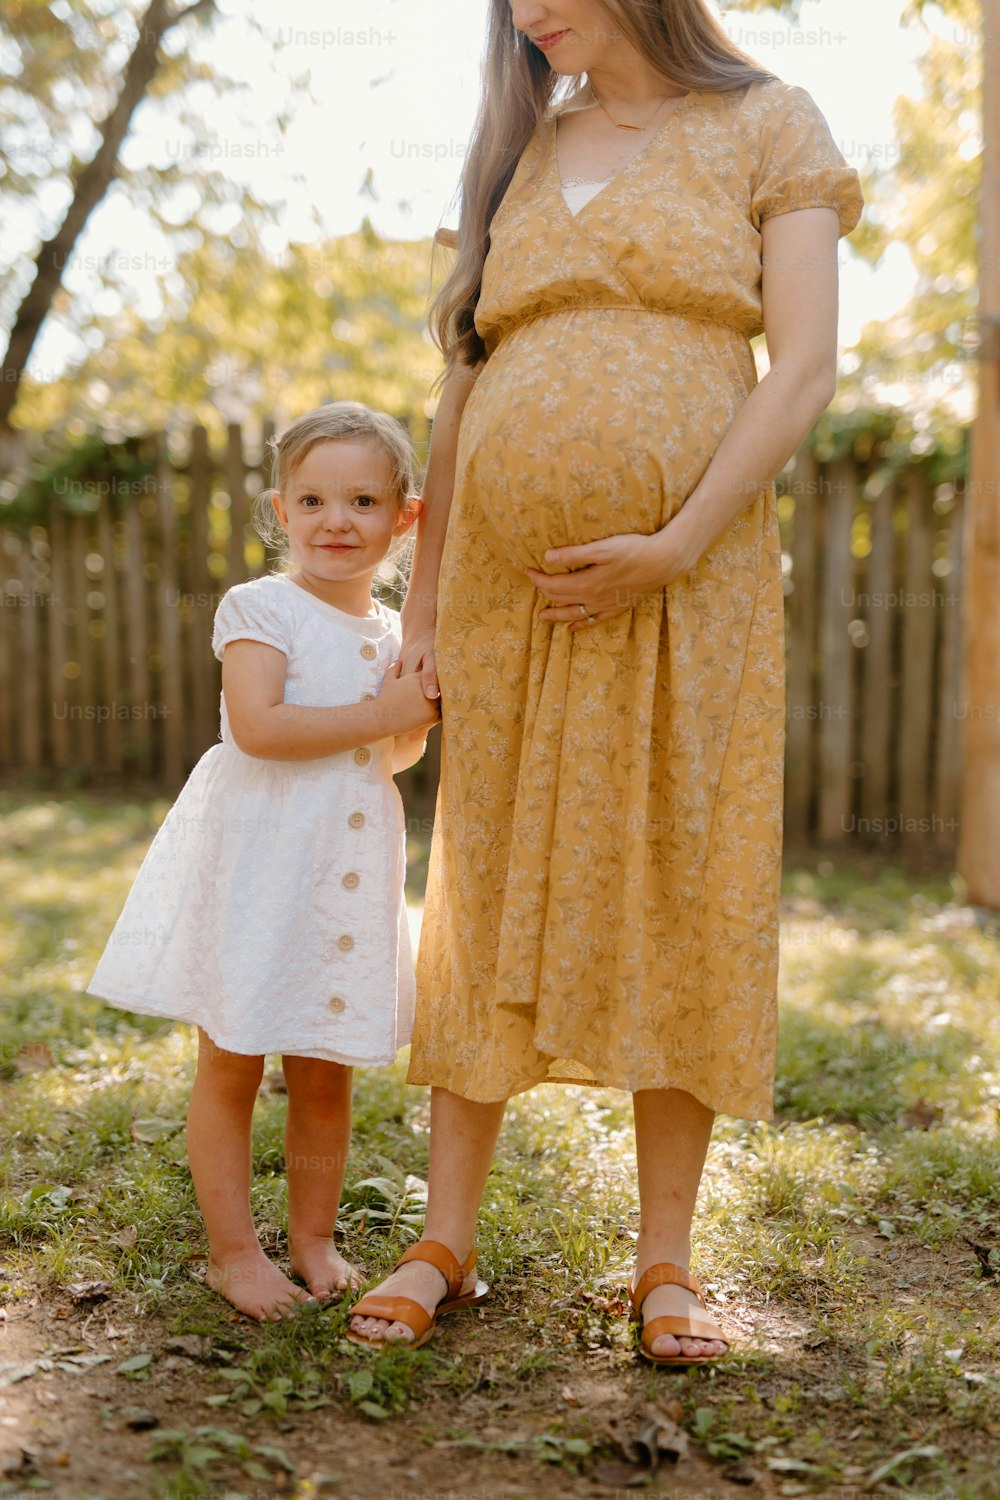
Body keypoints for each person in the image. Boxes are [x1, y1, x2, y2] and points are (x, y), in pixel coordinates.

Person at [348, 0, 863, 1366]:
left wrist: (678, 539)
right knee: (487, 874)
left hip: (692, 580)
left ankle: (668, 1263)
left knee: (682, 869)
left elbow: (803, 364)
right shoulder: (520, 146)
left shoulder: (768, 123)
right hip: (509, 603)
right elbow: (464, 387)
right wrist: (427, 595)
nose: (527, 10)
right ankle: (443, 1238)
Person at [87, 402, 441, 1322]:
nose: (337, 520)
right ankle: (234, 1254)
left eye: (364, 500)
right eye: (315, 499)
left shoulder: (398, 629)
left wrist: (408, 711)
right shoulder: (260, 608)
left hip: (346, 872)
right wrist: (387, 713)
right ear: (282, 511)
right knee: (234, 1056)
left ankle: (314, 1239)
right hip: (259, 866)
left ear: (404, 518)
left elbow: (391, 757)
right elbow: (262, 728)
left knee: (326, 1068)